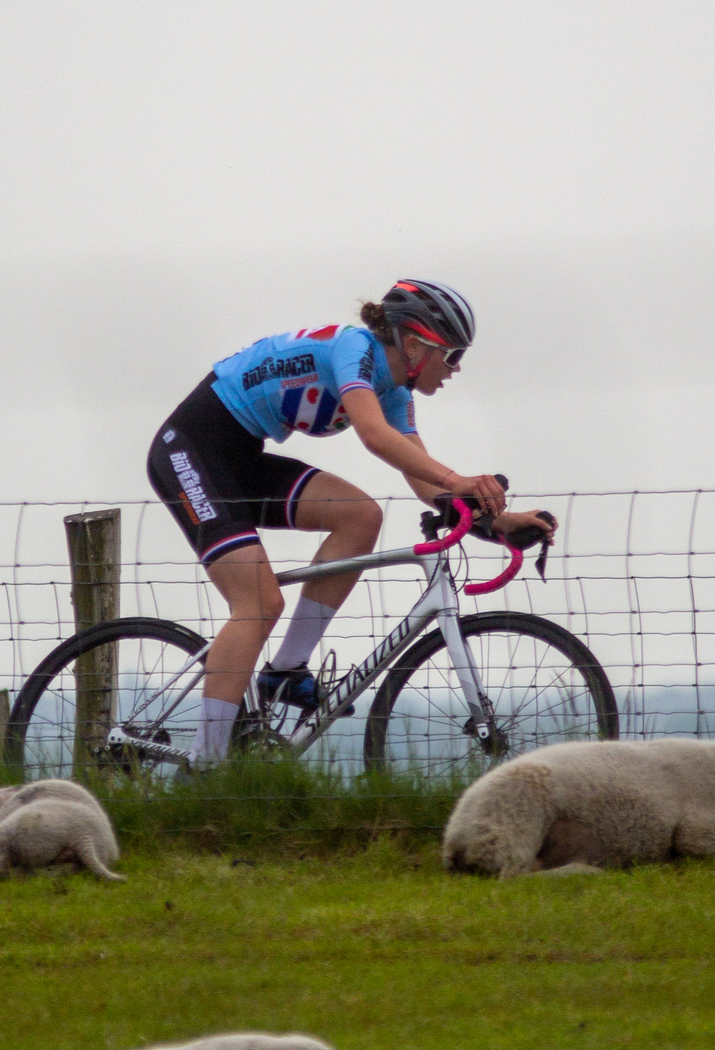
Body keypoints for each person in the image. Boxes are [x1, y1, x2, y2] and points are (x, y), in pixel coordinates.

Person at [145, 278, 556, 766]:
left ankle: (286, 668)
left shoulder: (395, 393)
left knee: (361, 516)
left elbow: (426, 482)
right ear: (414, 342)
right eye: (451, 355)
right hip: (190, 449)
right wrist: (461, 479)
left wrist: (498, 521)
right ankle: (207, 765)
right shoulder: (353, 347)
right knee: (257, 602)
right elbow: (373, 436)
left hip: (240, 458)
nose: (457, 368)